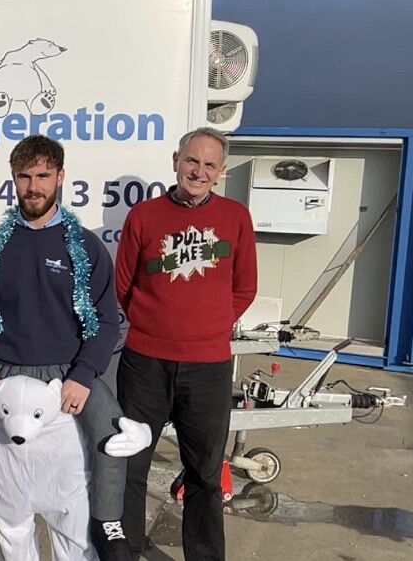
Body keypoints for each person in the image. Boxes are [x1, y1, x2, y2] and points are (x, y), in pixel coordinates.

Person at [0, 134, 140, 561]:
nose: (34, 186)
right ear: (13, 179)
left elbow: (105, 321)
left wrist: (84, 376)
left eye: (43, 176)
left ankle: (108, 519)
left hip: (65, 375)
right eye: (24, 176)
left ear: (60, 177)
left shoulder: (84, 245)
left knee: (111, 436)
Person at [115, 127, 258, 561]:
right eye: (191, 160)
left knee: (205, 474)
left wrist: (207, 326)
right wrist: (154, 325)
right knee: (130, 467)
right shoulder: (143, 216)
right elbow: (123, 285)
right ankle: (125, 552)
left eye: (209, 164)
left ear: (221, 171)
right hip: (145, 364)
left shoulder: (236, 218)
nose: (198, 171)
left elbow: (244, 288)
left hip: (208, 366)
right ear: (176, 160)